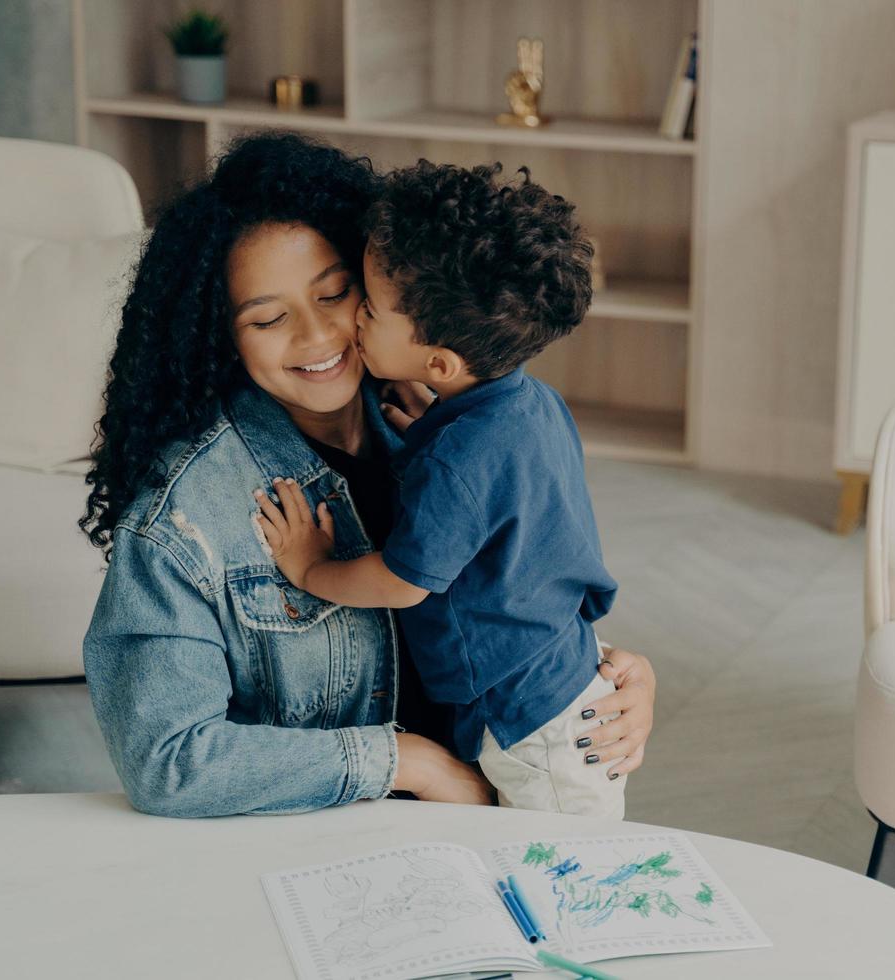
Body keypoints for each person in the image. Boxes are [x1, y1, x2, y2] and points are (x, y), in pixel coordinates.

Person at [79, 133, 656, 817]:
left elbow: (512, 597)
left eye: (337, 294)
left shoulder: (452, 436)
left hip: (492, 812)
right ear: (219, 334)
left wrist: (606, 679)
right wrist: (405, 763)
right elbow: (168, 762)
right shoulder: (184, 520)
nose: (319, 336)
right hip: (340, 853)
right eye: (268, 318)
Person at [254, 161, 623, 817]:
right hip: (565, 675)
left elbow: (401, 582)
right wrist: (426, 437)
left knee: (558, 874)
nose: (357, 319)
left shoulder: (456, 462)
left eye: (370, 306)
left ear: (441, 363)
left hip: (529, 727)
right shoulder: (532, 403)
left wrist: (310, 567)